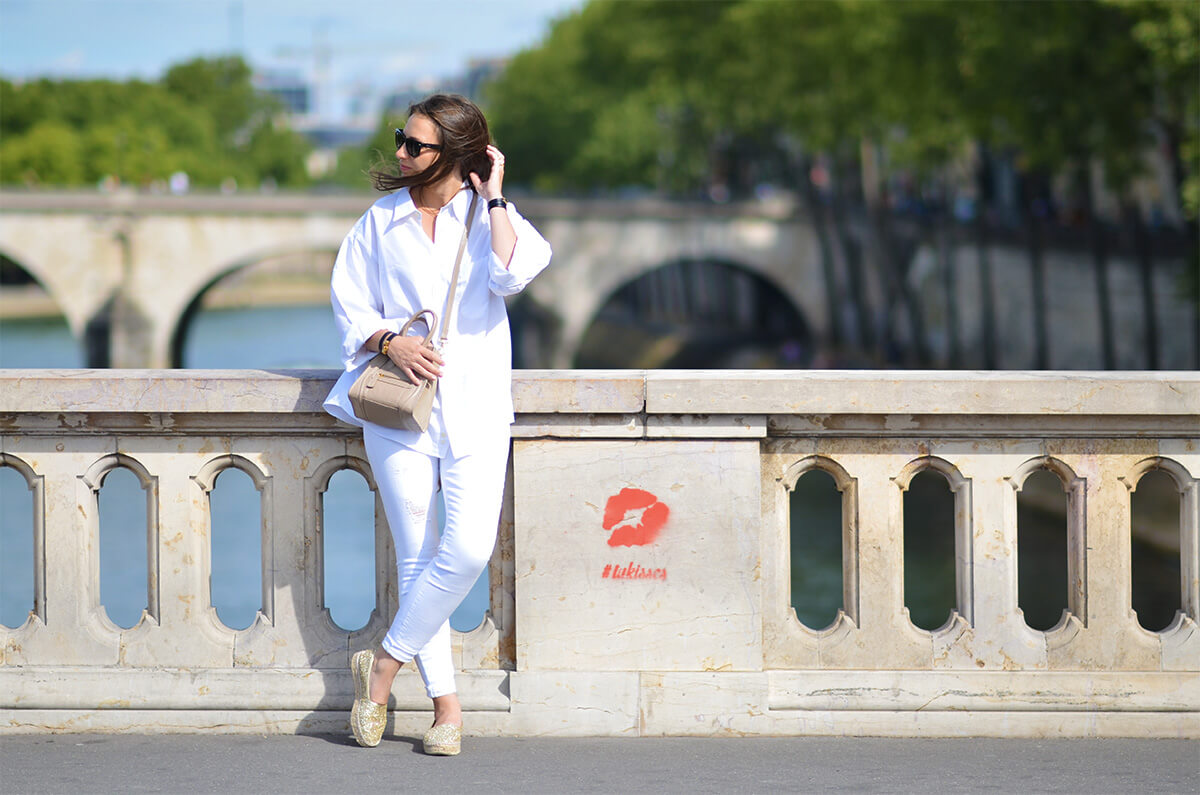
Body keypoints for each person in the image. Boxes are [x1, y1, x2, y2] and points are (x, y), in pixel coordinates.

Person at [322, 93, 552, 755]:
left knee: (468, 549)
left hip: (476, 409)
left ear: (452, 155)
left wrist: (497, 194)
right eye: (402, 138)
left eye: (414, 145)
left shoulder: (486, 217)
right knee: (419, 557)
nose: (400, 152)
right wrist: (391, 341)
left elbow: (512, 274)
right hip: (400, 413)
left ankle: (384, 668)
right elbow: (348, 303)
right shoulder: (380, 221)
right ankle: (448, 708)